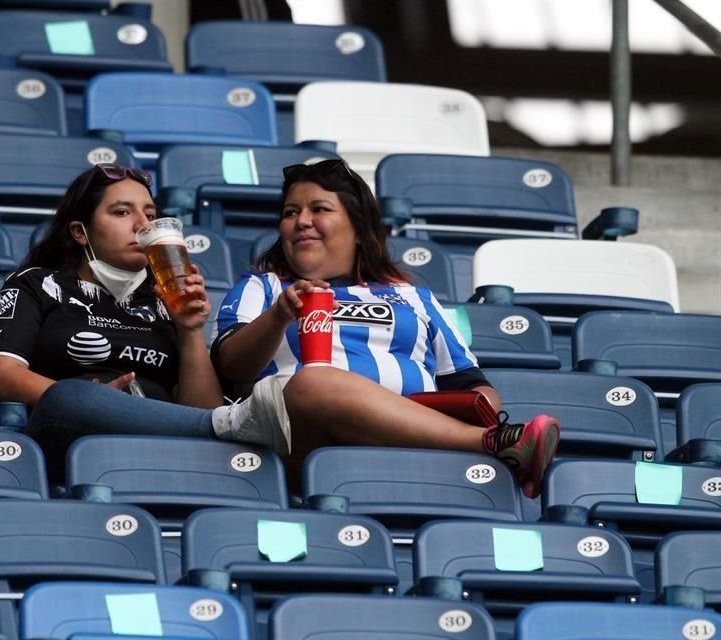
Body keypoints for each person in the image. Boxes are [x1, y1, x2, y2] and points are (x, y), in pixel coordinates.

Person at [212, 159, 560, 498]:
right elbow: (230, 367)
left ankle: (487, 442)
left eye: (319, 209)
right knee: (313, 381)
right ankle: (494, 445)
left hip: (416, 449)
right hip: (301, 441)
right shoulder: (265, 288)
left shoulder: (413, 296)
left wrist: (476, 408)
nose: (302, 221)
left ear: (359, 229)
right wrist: (279, 315)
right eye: (290, 213)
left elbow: (472, 386)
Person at [0, 164, 290, 479]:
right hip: (70, 436)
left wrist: (189, 329)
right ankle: (232, 425)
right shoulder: (37, 284)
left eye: (151, 215)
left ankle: (226, 425)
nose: (143, 226)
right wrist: (99, 400)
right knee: (68, 395)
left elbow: (201, 409)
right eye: (121, 213)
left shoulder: (165, 299)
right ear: (80, 232)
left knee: (210, 420)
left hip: (161, 448)